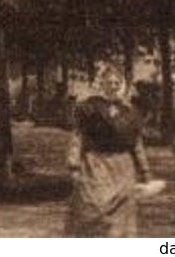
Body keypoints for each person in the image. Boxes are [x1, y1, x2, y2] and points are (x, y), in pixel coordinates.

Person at [66, 64, 154, 237]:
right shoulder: (89, 108)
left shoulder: (130, 113)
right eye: (109, 82)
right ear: (102, 84)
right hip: (96, 165)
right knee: (94, 210)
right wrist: (74, 164)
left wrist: (145, 172)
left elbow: (137, 144)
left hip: (123, 169)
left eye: (117, 83)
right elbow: (78, 137)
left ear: (122, 85)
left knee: (121, 221)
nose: (113, 86)